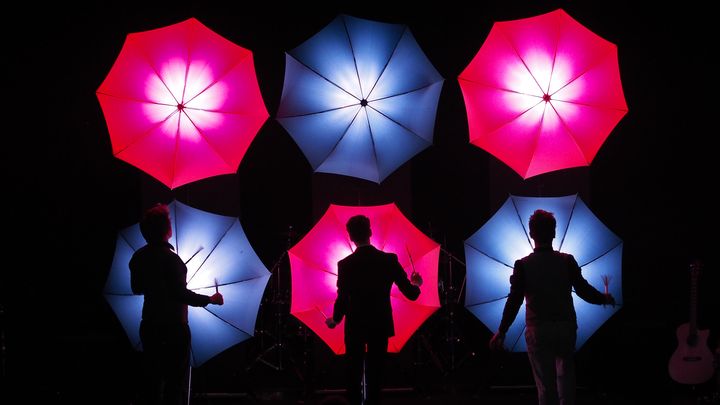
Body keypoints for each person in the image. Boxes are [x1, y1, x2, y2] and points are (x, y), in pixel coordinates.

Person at [489, 209, 615, 405]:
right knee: (567, 380)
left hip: (538, 330)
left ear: (531, 234)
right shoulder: (567, 260)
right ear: (554, 233)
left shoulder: (523, 265)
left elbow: (514, 300)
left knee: (545, 387)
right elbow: (583, 290)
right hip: (565, 328)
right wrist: (604, 298)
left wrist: (502, 330)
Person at [129, 203, 224, 405]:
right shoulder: (173, 261)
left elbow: (136, 289)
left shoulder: (137, 257)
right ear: (168, 230)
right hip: (174, 329)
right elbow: (181, 294)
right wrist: (211, 299)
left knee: (152, 381)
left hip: (149, 325)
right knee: (175, 383)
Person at [325, 215, 423, 405]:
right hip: (380, 323)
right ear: (370, 232)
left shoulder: (345, 265)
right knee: (376, 375)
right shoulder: (389, 260)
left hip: (355, 325)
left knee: (353, 374)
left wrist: (335, 320)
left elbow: (342, 298)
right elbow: (411, 294)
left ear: (351, 238)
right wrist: (416, 283)